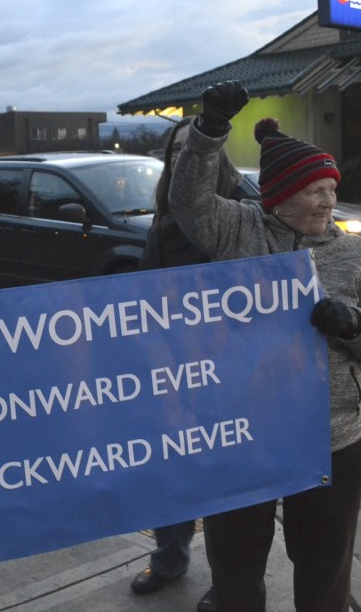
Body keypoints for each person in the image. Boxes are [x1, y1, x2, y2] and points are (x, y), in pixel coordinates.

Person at [171, 81, 361, 612]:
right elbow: (187, 202)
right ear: (280, 196)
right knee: (235, 569)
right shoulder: (237, 230)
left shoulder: (354, 254)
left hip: (331, 442)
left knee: (325, 573)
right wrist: (209, 132)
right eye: (315, 191)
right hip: (242, 436)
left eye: (331, 189)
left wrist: (354, 325)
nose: (329, 201)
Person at [130, 115, 245, 611]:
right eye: (176, 150)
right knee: (171, 469)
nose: (184, 157)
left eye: (194, 148)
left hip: (228, 369)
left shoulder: (241, 213)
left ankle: (230, 580)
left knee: (225, 480)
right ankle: (168, 560)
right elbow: (141, 297)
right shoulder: (163, 221)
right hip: (175, 369)